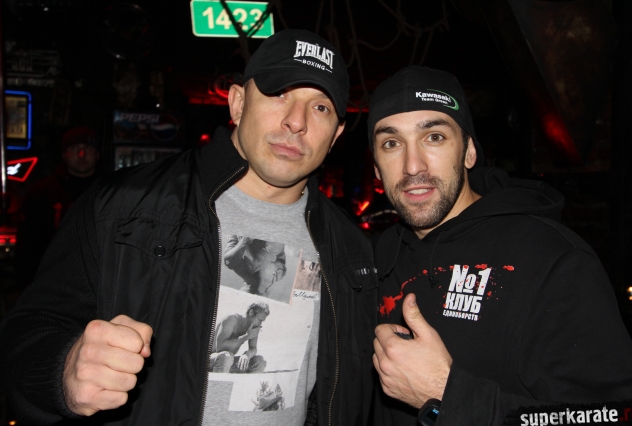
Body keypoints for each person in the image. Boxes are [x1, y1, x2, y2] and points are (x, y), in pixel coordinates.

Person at [0, 30, 378, 426]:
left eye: (320, 107)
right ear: (238, 103)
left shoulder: (352, 249)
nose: (296, 121)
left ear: (335, 135)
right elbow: (28, 331)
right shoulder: (123, 207)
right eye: (279, 93)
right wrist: (64, 370)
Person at [368, 66, 632, 425]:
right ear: (376, 168)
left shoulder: (552, 261)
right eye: (391, 143)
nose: (412, 165)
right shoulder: (374, 260)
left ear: (469, 152)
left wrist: (447, 394)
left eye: (434, 136)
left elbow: (615, 417)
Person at [14, 127, 101, 289]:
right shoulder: (41, 193)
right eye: (74, 148)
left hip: (99, 282)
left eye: (88, 148)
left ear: (97, 154)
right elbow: (27, 246)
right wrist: (24, 287)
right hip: (51, 283)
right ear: (64, 154)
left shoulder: (109, 191)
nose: (81, 154)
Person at [209, 302, 269, 374]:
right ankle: (218, 381)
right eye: (259, 319)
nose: (260, 323)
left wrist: (247, 355)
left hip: (228, 362)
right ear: (251, 312)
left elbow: (253, 348)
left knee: (259, 361)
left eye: (262, 321)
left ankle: (247, 382)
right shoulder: (231, 319)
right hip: (210, 360)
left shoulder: (254, 326)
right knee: (226, 356)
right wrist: (245, 337)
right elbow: (220, 348)